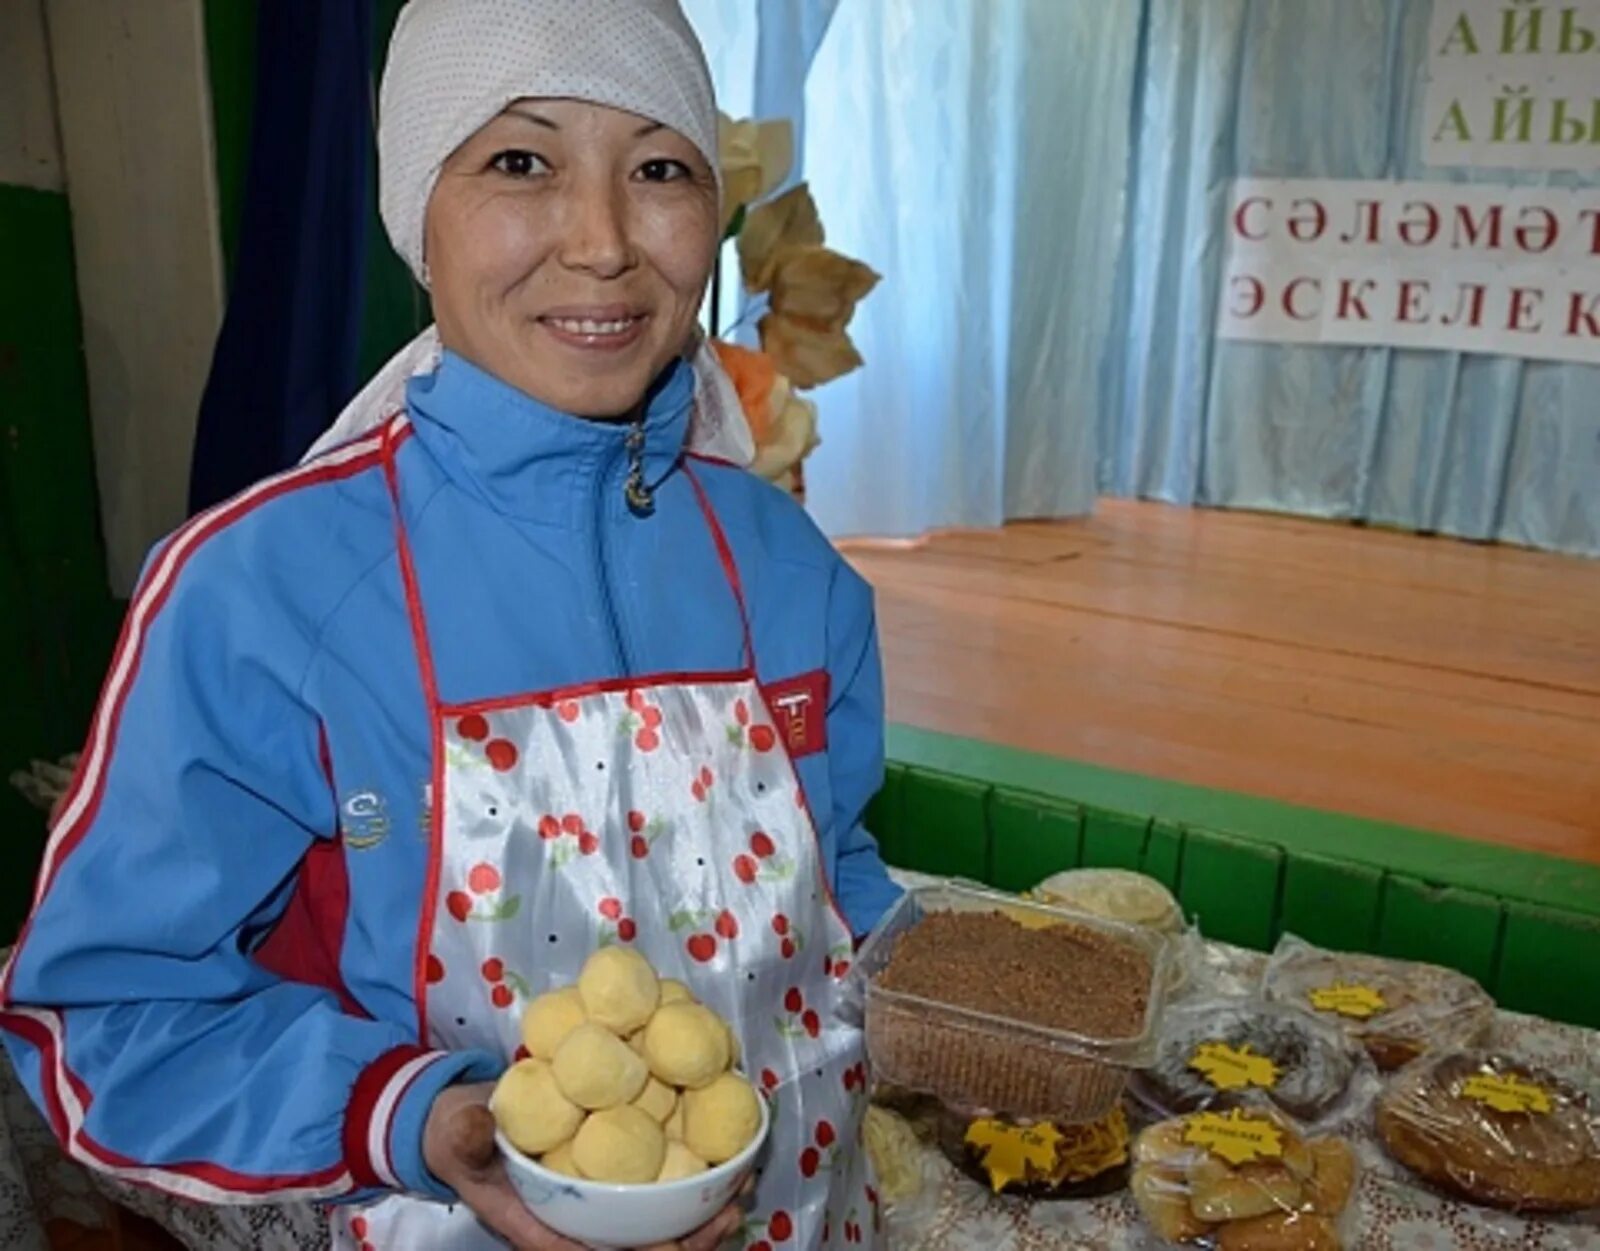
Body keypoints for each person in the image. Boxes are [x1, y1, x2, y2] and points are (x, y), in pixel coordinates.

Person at [0, 2, 900, 1246]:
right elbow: (105, 1011)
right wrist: (414, 1118)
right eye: (520, 162)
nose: (600, 243)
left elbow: (835, 874)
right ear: (416, 217)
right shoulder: (262, 591)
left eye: (659, 169)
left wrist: (952, 983)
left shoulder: (789, 570)